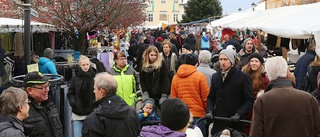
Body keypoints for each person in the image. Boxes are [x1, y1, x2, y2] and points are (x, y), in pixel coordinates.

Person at [250, 56, 320, 137]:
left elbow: (256, 134)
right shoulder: (309, 99)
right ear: (287, 73)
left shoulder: (262, 101)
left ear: (268, 75)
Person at [206, 49, 254, 135]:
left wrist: (239, 114)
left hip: (235, 123)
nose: (222, 62)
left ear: (231, 61)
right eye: (220, 59)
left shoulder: (242, 77)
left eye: (225, 59)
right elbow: (211, 97)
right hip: (219, 121)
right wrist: (210, 111)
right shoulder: (215, 76)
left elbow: (249, 100)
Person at [82, 72, 140, 137]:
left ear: (102, 91)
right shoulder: (131, 112)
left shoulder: (94, 119)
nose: (94, 92)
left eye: (95, 89)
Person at [171, 53, 209, 135]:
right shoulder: (200, 76)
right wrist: (208, 111)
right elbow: (206, 98)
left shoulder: (175, 78)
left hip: (182, 115)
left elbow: (173, 98)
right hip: (198, 115)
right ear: (196, 64)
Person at [22, 71, 63, 137]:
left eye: (47, 86)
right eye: (42, 88)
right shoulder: (23, 111)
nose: (47, 90)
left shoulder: (50, 105)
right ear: (29, 90)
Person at [67, 55, 96, 137]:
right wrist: (73, 103)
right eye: (83, 65)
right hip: (78, 113)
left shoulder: (95, 77)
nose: (86, 67)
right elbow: (70, 93)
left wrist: (95, 104)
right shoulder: (75, 78)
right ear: (80, 66)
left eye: (87, 64)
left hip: (91, 112)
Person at [241, 53, 269, 134]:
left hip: (257, 108)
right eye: (251, 61)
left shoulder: (264, 79)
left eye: (256, 61)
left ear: (260, 63)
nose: (253, 63)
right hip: (245, 107)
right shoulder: (243, 75)